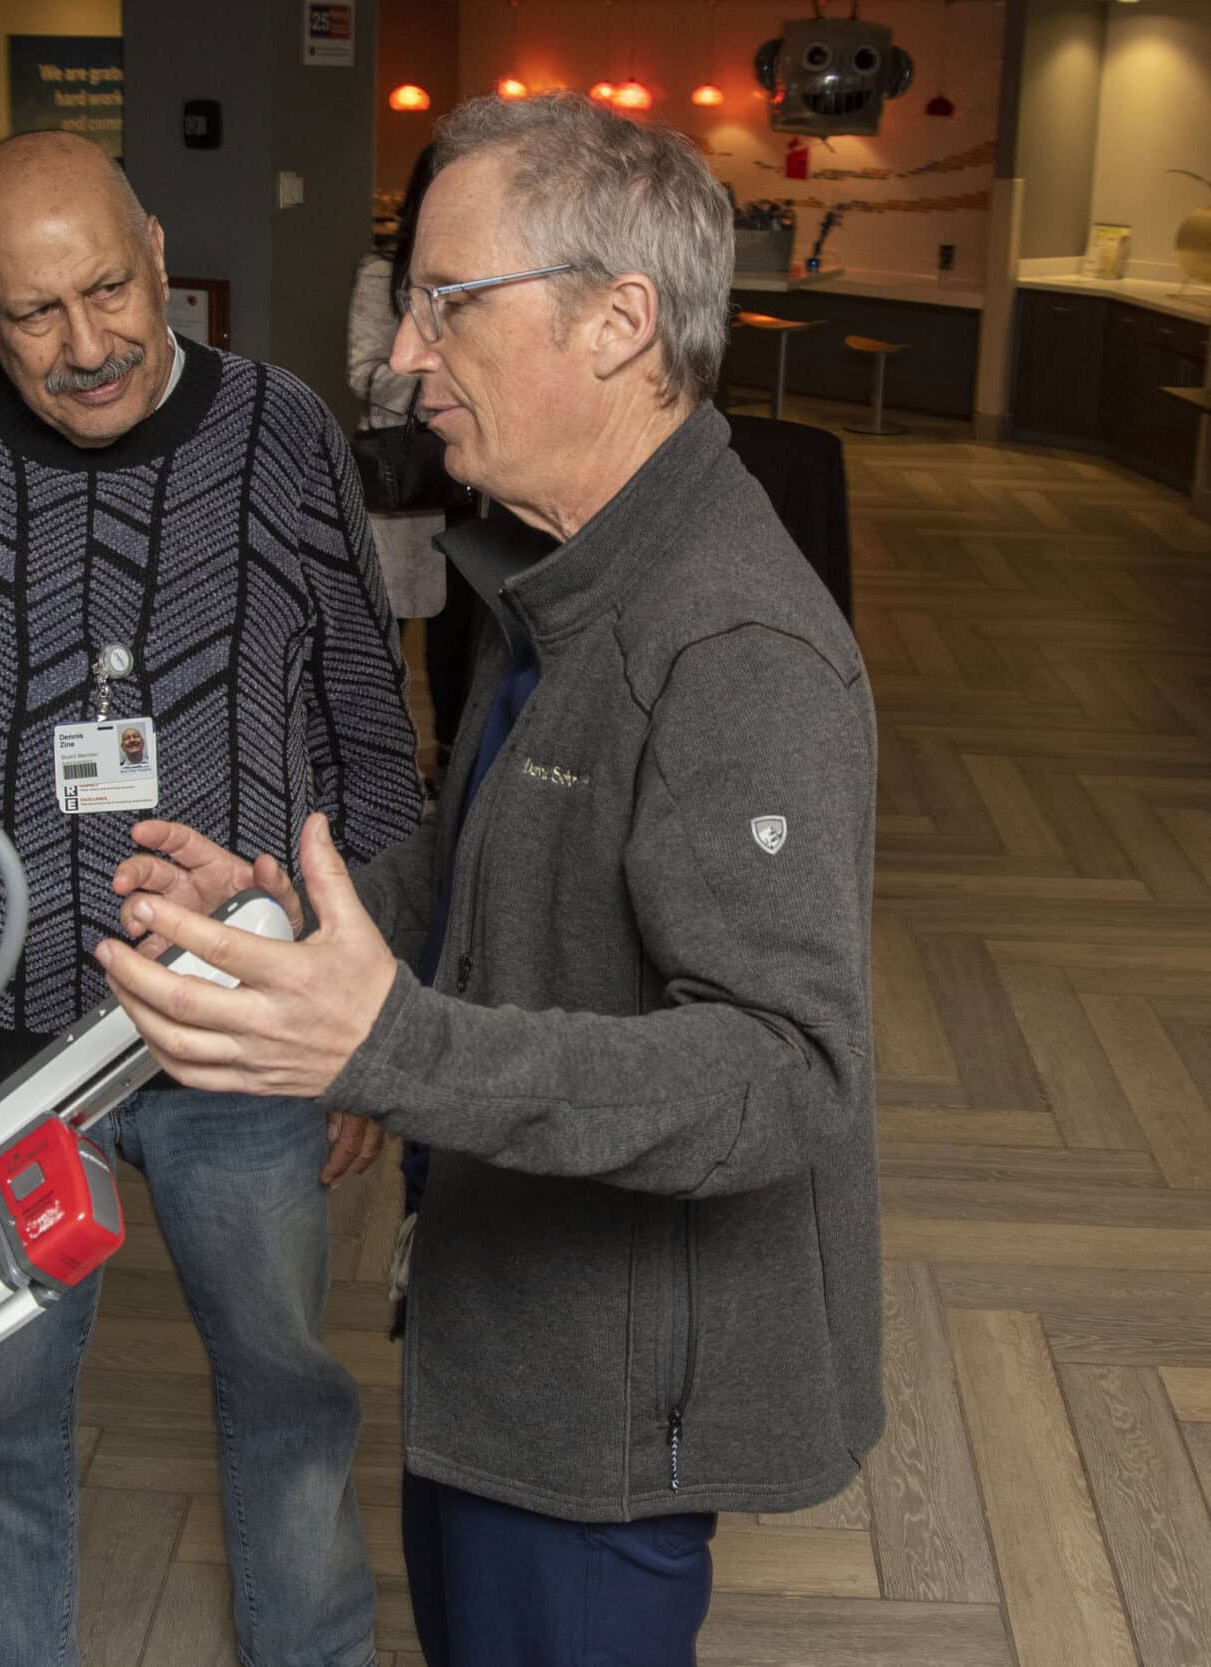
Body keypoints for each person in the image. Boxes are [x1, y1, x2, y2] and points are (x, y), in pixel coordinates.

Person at [96, 92, 881, 1667]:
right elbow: (491, 870)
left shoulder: (730, 649)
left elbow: (786, 1072)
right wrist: (301, 913)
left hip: (601, 1416)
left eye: (449, 306)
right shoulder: (567, 581)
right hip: (502, 1343)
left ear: (619, 321)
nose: (403, 356)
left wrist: (381, 1043)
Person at [0, 130, 424, 1667]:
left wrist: (373, 1016)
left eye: (112, 288)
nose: (88, 346)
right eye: (35, 316)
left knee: (288, 1389)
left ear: (154, 245)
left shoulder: (278, 428)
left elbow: (360, 709)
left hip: (241, 1022)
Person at [347, 145, 446, 625]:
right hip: (404, 468)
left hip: (471, 472)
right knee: (395, 617)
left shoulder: (486, 276)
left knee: (460, 640)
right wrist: (437, 373)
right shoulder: (381, 272)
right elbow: (362, 373)